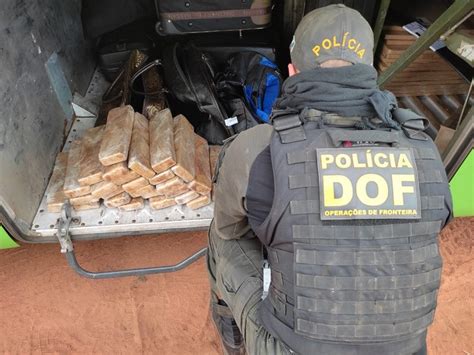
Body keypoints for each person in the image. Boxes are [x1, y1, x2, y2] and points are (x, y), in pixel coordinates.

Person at [207, 4, 453, 355]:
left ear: (292, 72)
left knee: (220, 238)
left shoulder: (261, 146)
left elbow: (231, 228)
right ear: (369, 70)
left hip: (292, 346)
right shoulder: (422, 144)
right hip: (406, 350)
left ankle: (233, 332)